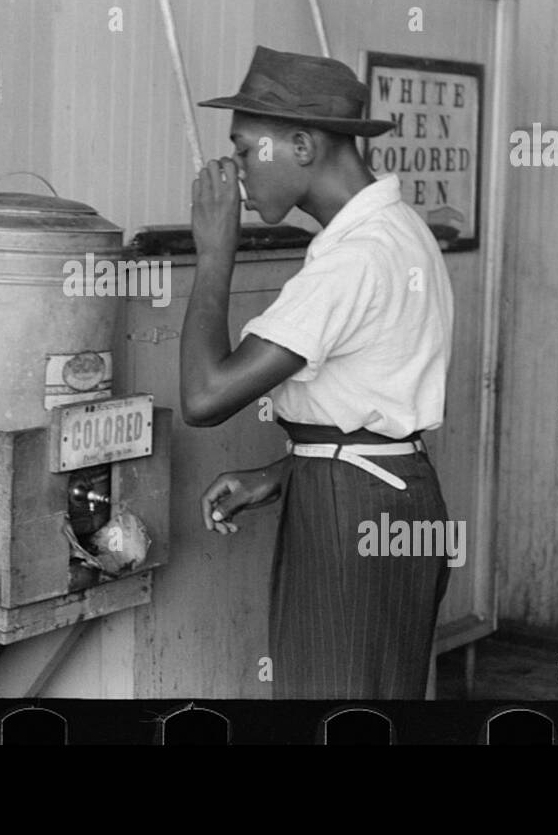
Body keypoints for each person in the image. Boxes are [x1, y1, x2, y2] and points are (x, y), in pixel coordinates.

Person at [180, 45, 455, 699]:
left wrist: (215, 252)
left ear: (301, 145)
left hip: (352, 513)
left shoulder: (356, 259)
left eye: (246, 150)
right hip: (388, 489)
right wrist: (281, 476)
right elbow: (371, 407)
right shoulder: (399, 230)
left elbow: (205, 394)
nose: (238, 171)